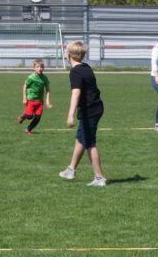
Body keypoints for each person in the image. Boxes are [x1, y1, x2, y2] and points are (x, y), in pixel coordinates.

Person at [58, 41, 106, 187]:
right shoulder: (86, 68)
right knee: (81, 138)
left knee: (89, 143)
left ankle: (99, 178)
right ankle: (71, 169)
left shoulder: (75, 72)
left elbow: (76, 92)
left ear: (68, 55)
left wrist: (70, 115)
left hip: (90, 110)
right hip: (96, 107)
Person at [18, 59, 53, 135]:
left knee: (37, 118)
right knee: (29, 115)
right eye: (37, 67)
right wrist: (24, 98)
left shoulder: (45, 78)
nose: (40, 69)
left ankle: (28, 129)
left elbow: (47, 90)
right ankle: (23, 116)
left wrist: (47, 101)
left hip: (40, 101)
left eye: (41, 67)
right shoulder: (31, 77)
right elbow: (25, 86)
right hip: (30, 100)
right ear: (34, 68)